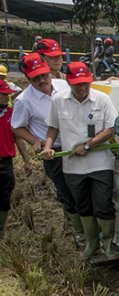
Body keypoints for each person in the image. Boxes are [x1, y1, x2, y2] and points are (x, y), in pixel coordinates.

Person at [41, 62, 118, 259]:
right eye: (78, 85)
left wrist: (87, 146)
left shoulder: (102, 99)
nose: (83, 89)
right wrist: (48, 147)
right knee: (82, 205)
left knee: (103, 203)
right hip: (73, 166)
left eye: (86, 84)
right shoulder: (58, 100)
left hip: (100, 163)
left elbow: (110, 128)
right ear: (69, 82)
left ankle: (109, 242)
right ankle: (92, 243)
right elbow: (53, 128)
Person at [11, 54, 82, 243]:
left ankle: (86, 228)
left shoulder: (63, 86)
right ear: (27, 78)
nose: (42, 80)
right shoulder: (24, 100)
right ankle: (76, 230)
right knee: (67, 192)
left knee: (82, 189)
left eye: (44, 75)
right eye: (36, 78)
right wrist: (35, 141)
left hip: (76, 147)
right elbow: (16, 126)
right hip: (54, 152)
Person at [0, 79, 30, 238]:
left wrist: (26, 160)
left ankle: (1, 229)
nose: (6, 98)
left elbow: (18, 138)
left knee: (5, 195)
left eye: (7, 95)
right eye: (3, 95)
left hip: (5, 162)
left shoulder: (11, 114)